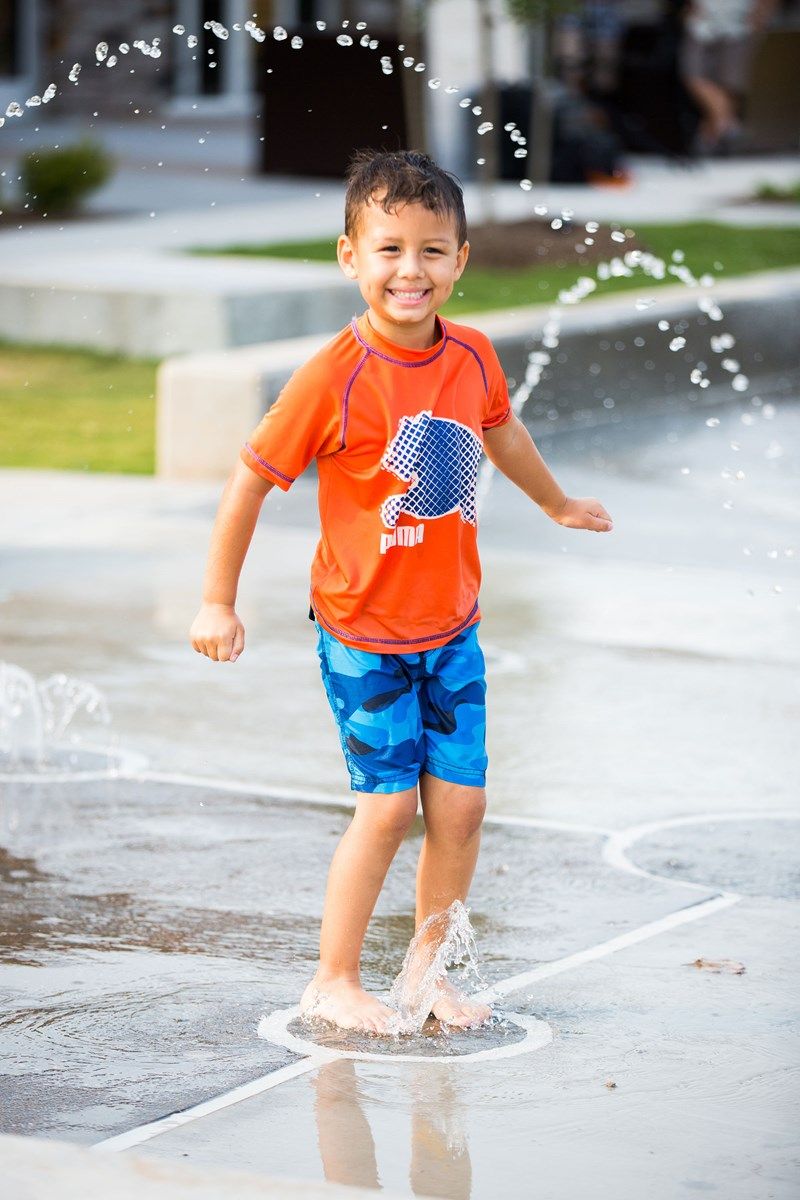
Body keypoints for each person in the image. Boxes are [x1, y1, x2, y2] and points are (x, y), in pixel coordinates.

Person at [189, 150, 614, 1035]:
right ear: (350, 256)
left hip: (450, 627)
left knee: (460, 806)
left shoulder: (473, 355)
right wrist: (218, 599)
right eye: (389, 249)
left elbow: (503, 435)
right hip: (364, 631)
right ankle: (334, 980)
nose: (409, 270)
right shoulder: (332, 377)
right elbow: (249, 482)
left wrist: (558, 502)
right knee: (385, 808)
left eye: (431, 250)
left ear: (460, 260)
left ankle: (425, 977)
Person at [679, 0, 777, 153]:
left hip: (740, 22)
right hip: (702, 23)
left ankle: (714, 137)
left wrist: (763, 12)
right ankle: (727, 125)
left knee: (729, 84)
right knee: (692, 75)